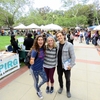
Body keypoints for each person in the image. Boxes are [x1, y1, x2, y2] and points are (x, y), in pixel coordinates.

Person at [56, 32, 75, 98]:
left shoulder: (69, 45)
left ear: (63, 36)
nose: (59, 37)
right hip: (59, 65)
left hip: (66, 66)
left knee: (67, 79)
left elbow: (73, 56)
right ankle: (61, 87)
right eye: (58, 36)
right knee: (59, 77)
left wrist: (71, 65)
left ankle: (68, 91)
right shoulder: (56, 44)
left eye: (60, 35)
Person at [30, 35, 47, 99]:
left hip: (41, 68)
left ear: (43, 41)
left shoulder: (43, 48)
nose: (40, 41)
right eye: (39, 40)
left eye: (41, 40)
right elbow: (32, 59)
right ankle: (38, 91)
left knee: (45, 79)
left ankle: (38, 87)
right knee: (36, 82)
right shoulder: (35, 50)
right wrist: (32, 61)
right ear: (36, 41)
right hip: (34, 70)